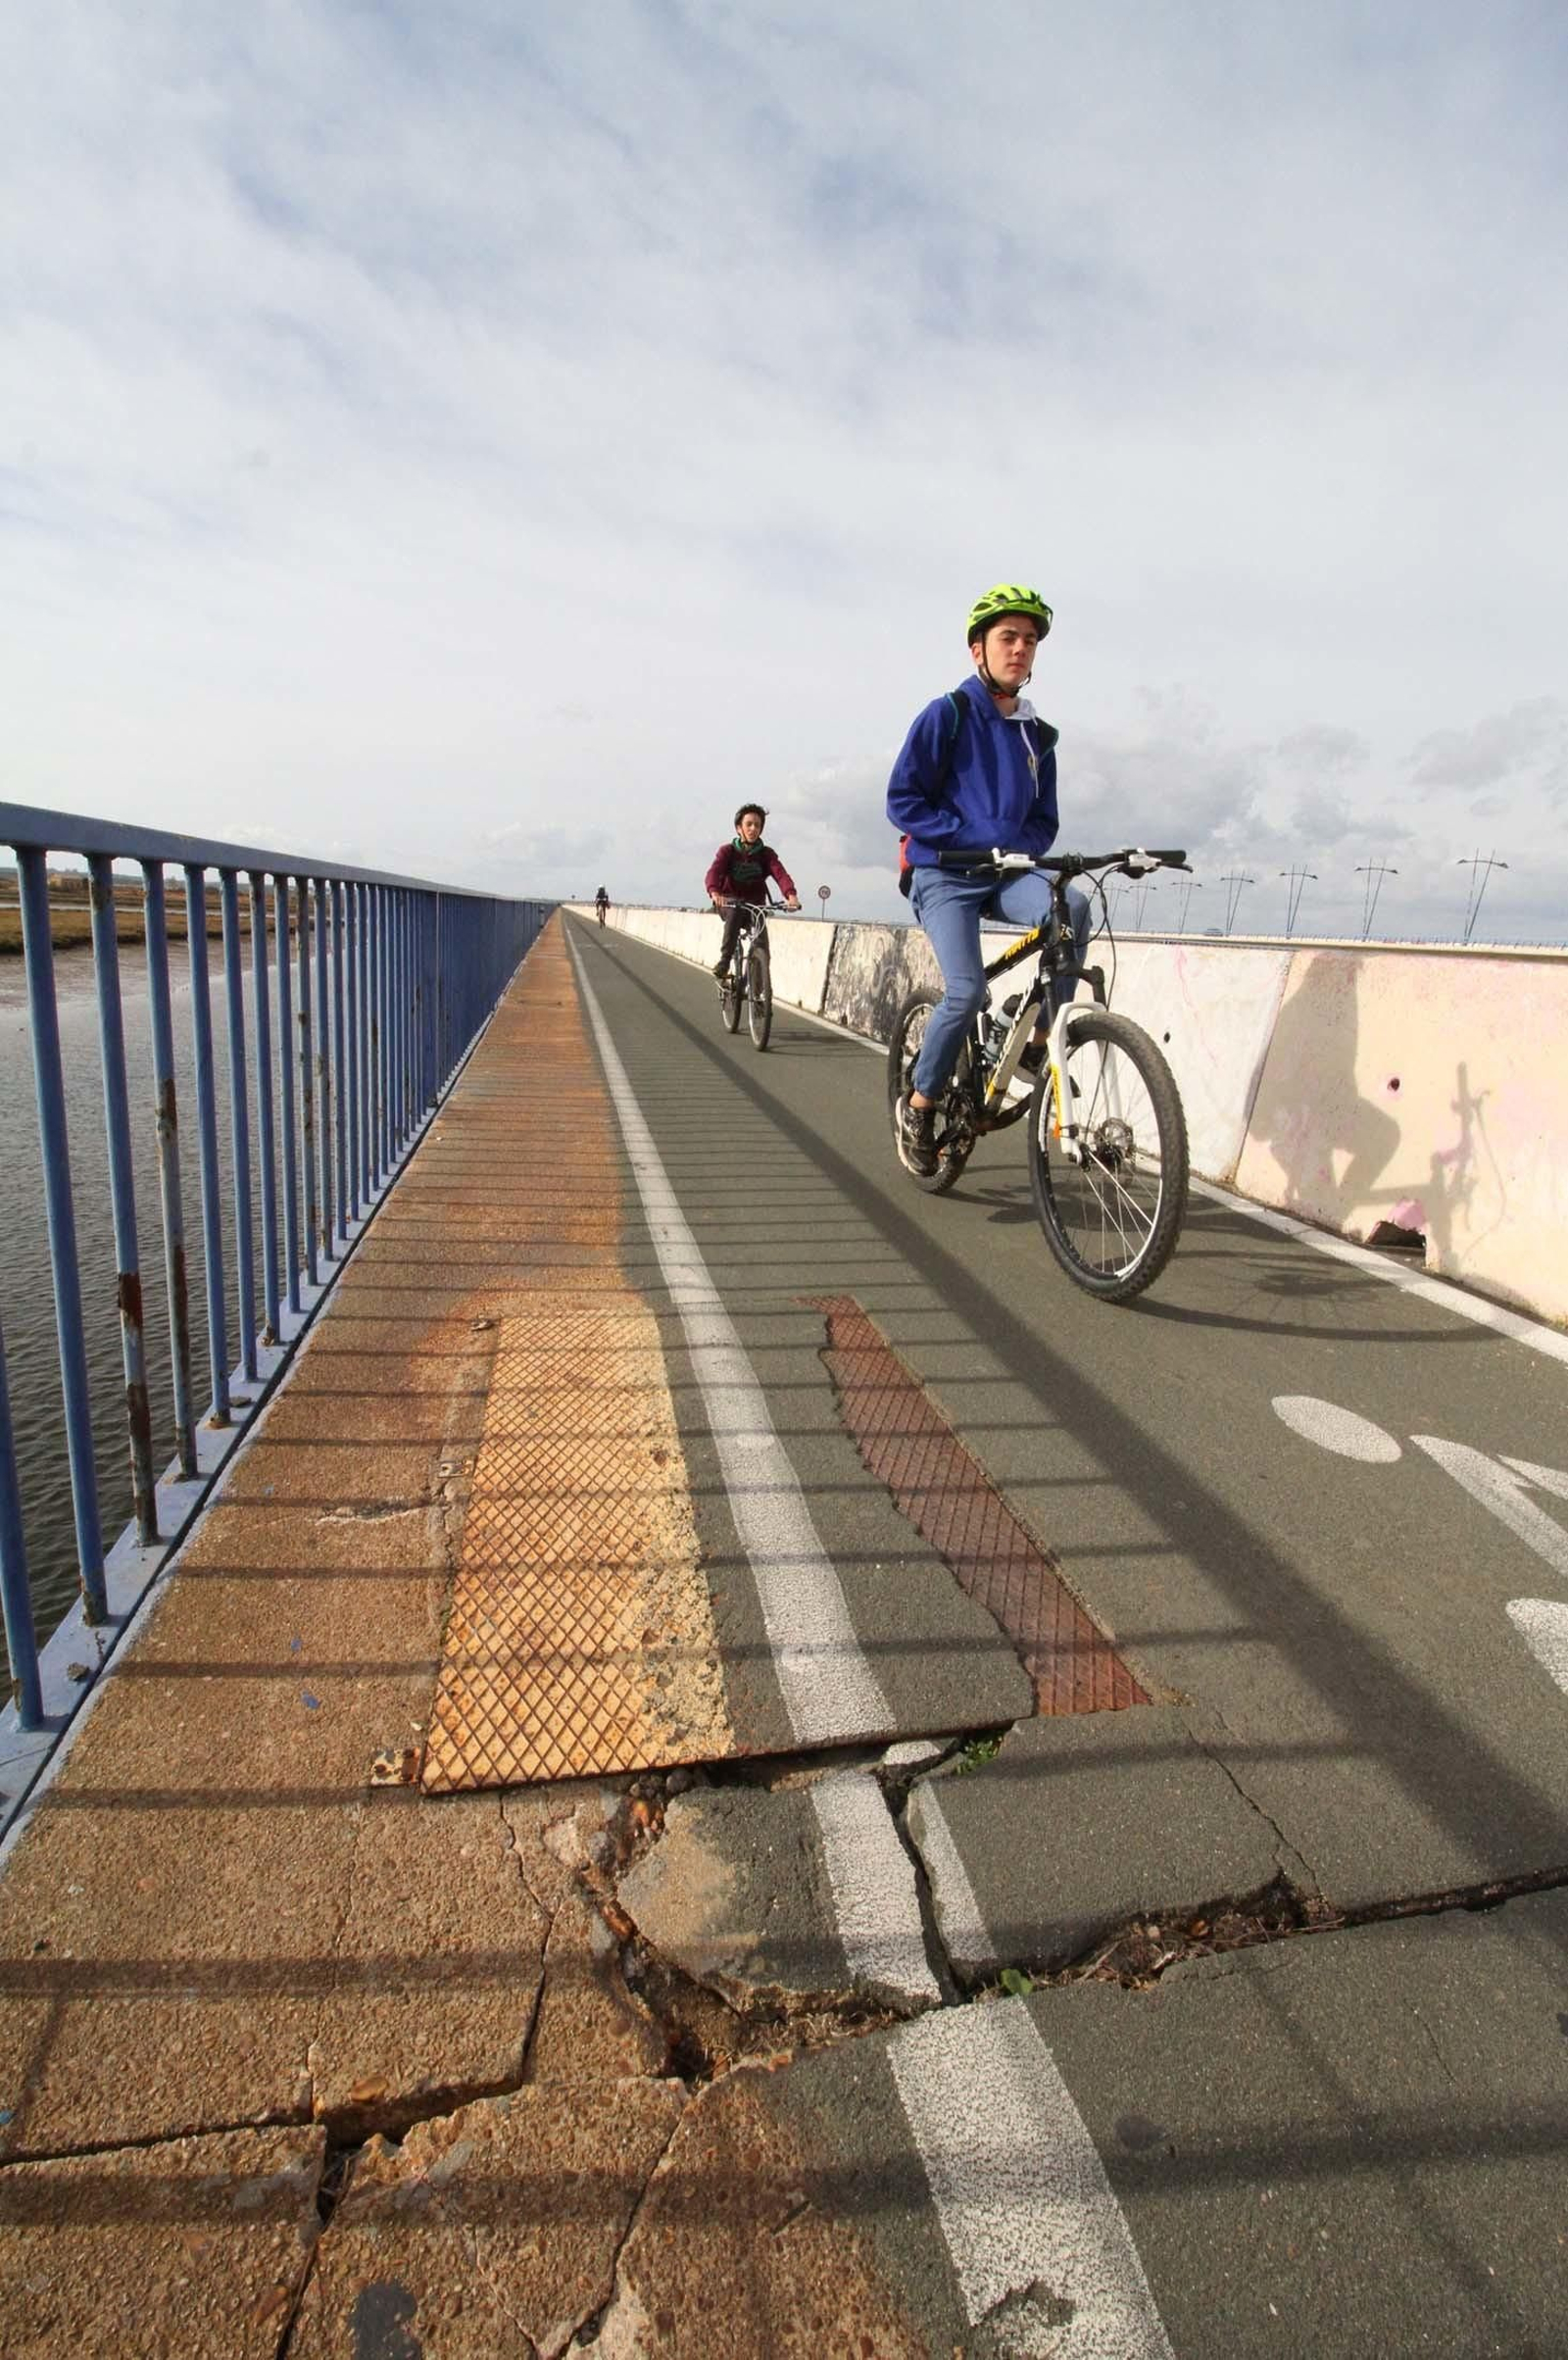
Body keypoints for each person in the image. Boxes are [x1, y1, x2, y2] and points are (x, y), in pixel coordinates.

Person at [886, 582, 1092, 1177]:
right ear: (979, 649)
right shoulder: (946, 714)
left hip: (1004, 873)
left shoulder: (1038, 736)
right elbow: (903, 800)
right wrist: (963, 836)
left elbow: (1043, 821)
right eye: (1008, 637)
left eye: (1029, 640)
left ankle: (1036, 1042)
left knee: (1073, 908)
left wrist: (1017, 852)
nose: (1020, 648)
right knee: (966, 992)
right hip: (943, 873)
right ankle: (920, 1104)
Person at [706, 805, 800, 978]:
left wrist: (791, 895)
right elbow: (714, 872)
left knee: (762, 946)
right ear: (738, 828)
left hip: (755, 906)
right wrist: (715, 893)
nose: (753, 829)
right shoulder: (728, 851)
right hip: (729, 902)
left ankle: (758, 989)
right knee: (735, 912)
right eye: (748, 824)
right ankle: (724, 962)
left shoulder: (766, 854)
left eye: (757, 825)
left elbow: (780, 874)